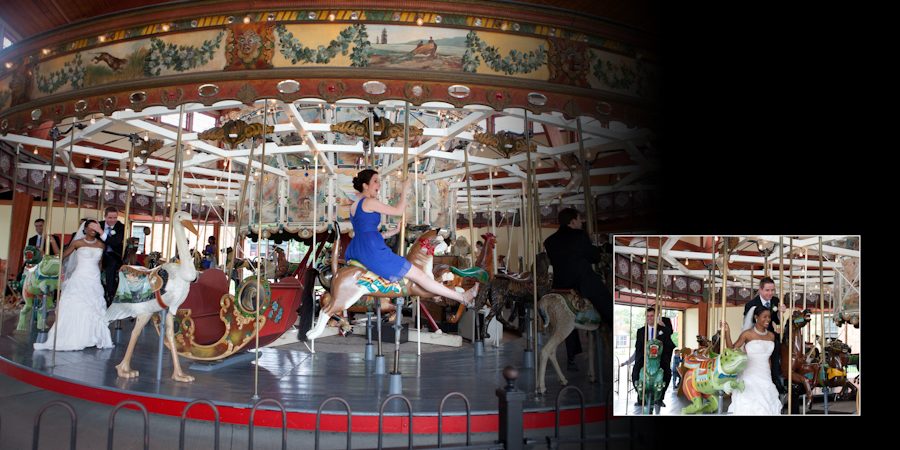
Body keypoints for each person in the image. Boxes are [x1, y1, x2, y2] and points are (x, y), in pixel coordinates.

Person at [343, 169, 478, 305]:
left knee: (417, 275)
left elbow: (367, 233)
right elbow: (398, 211)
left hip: (360, 247)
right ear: (365, 185)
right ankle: (461, 297)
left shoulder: (355, 204)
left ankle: (443, 294)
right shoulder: (369, 201)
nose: (379, 185)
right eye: (376, 181)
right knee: (420, 275)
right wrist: (405, 188)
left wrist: (394, 231)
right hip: (373, 250)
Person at [543, 208, 611, 372]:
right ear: (573, 221)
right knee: (609, 304)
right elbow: (594, 257)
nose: (581, 223)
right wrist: (592, 241)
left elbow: (553, 261)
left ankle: (571, 356)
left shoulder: (549, 241)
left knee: (567, 320)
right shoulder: (580, 236)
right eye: (580, 220)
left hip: (560, 285)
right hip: (581, 282)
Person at [33, 220, 114, 351]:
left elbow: (99, 263)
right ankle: (73, 336)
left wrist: (99, 279)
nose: (93, 229)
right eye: (91, 227)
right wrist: (53, 242)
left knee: (94, 307)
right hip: (80, 277)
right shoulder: (77, 243)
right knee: (76, 304)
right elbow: (61, 256)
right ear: (85, 229)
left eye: (96, 227)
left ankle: (92, 336)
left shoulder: (101, 244)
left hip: (94, 279)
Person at [723, 306, 783, 415]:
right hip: (750, 373)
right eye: (764, 317)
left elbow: (769, 359)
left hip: (765, 373)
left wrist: (770, 374)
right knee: (751, 402)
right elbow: (732, 349)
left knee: (767, 401)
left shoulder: (771, 336)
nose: (768, 319)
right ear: (756, 317)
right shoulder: (747, 334)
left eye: (769, 317)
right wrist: (727, 332)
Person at [744, 276, 787, 393]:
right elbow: (748, 323)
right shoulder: (751, 304)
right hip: (755, 333)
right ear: (761, 290)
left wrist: (779, 313)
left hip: (769, 332)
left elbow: (777, 321)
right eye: (767, 290)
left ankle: (780, 373)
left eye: (772, 290)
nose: (770, 293)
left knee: (781, 343)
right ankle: (773, 376)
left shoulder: (775, 301)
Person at [628, 307, 675, 406]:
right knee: (635, 372)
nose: (649, 318)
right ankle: (640, 395)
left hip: (660, 357)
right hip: (645, 357)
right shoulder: (641, 331)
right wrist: (639, 358)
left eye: (652, 316)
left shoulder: (664, 330)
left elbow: (669, 345)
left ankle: (660, 397)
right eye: (648, 316)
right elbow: (638, 346)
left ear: (656, 316)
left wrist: (661, 349)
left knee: (667, 372)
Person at [91, 207, 125, 307]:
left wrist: (101, 232)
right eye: (110, 218)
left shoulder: (120, 227)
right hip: (98, 252)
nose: (113, 220)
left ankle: (111, 292)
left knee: (112, 263)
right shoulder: (99, 225)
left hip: (113, 254)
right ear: (105, 216)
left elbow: (115, 242)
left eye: (115, 217)